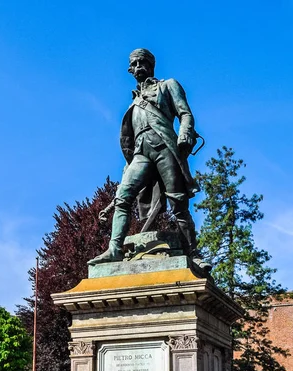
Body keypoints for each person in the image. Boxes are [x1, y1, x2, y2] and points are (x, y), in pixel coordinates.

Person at [89, 48, 207, 268]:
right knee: (123, 197)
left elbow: (185, 114)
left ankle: (194, 254)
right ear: (130, 69)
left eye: (142, 62)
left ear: (151, 64)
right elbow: (129, 138)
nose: (138, 67)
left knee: (178, 202)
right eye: (134, 64)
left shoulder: (168, 85)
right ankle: (114, 249)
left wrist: (185, 134)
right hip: (141, 153)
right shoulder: (134, 103)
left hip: (165, 147)